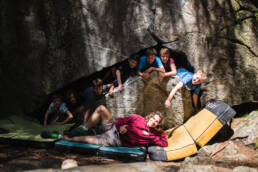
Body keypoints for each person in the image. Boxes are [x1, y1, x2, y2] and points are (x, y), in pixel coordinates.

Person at [43, 105, 168, 147]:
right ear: (150, 116)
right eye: (153, 118)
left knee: (85, 140)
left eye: (156, 122)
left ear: (157, 124)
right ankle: (82, 129)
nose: (153, 121)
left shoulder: (152, 135)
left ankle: (57, 135)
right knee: (102, 108)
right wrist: (120, 127)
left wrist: (159, 131)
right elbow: (120, 120)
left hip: (114, 140)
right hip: (113, 128)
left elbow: (164, 143)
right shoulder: (137, 118)